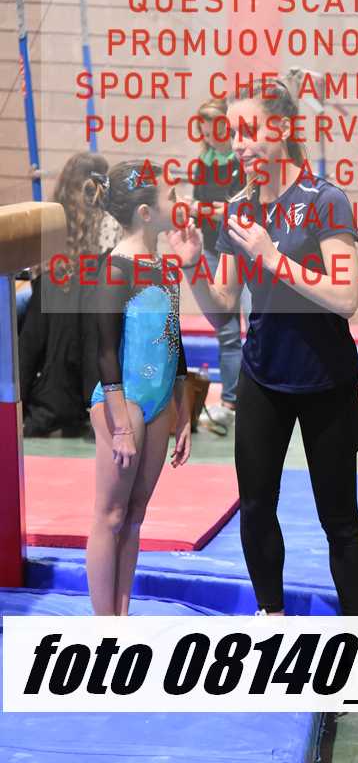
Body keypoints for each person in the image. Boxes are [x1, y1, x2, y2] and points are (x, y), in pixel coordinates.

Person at [169, 80, 358, 616]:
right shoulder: (240, 209)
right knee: (257, 508)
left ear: (280, 129)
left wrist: (273, 256)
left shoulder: (325, 200)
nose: (237, 144)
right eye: (233, 133)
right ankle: (271, 615)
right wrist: (193, 266)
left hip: (325, 377)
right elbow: (222, 307)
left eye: (248, 131)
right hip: (262, 375)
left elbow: (347, 297)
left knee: (339, 519)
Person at [87, 160, 191, 616]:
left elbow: (174, 339)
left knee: (135, 516)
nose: (179, 202)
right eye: (171, 196)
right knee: (110, 515)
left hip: (159, 401)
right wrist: (122, 425)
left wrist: (183, 411)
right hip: (122, 401)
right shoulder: (116, 268)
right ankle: (103, 626)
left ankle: (122, 618)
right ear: (146, 213)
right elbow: (105, 351)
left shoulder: (166, 268)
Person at [19, 151, 110, 436]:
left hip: (63, 294)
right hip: (63, 294)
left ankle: (27, 401)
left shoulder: (58, 219)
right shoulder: (96, 221)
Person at [183, 96, 250, 426]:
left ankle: (259, 396)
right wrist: (190, 211)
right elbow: (203, 205)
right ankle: (231, 399)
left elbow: (238, 208)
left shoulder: (242, 160)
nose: (210, 137)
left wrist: (200, 208)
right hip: (213, 247)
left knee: (255, 324)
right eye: (205, 131)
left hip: (244, 249)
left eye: (215, 130)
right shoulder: (203, 162)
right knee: (226, 330)